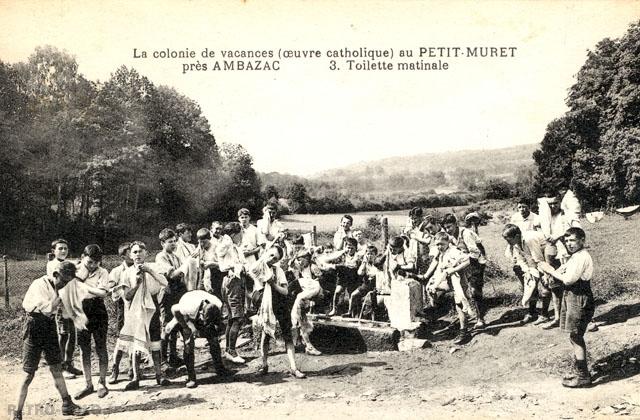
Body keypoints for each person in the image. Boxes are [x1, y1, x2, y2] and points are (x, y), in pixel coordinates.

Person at [13, 261, 88, 420]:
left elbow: (66, 313)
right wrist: (61, 297)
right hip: (34, 326)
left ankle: (67, 404)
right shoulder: (39, 284)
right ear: (55, 275)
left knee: (56, 367)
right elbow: (47, 309)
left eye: (68, 282)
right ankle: (17, 413)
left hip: (48, 327)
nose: (65, 285)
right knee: (28, 373)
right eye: (63, 281)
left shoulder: (60, 286)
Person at [539, 227, 594, 388]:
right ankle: (580, 370)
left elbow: (569, 279)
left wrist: (549, 270)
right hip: (572, 296)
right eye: (567, 240)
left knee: (576, 336)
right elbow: (562, 270)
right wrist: (550, 272)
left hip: (579, 297)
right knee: (573, 335)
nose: (569, 244)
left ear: (582, 240)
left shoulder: (581, 257)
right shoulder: (574, 256)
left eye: (573, 240)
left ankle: (583, 376)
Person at [115, 241, 171, 390]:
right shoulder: (127, 273)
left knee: (155, 341)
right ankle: (135, 377)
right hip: (135, 309)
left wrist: (149, 271)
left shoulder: (153, 267)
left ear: (146, 253)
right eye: (134, 252)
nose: (138, 254)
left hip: (151, 307)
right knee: (136, 343)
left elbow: (164, 282)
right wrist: (137, 284)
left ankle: (159, 375)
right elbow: (126, 296)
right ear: (130, 255)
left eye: (140, 251)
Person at [249, 246, 306, 379]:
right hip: (265, 304)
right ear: (267, 251)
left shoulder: (278, 270)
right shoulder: (258, 266)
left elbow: (285, 291)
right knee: (266, 333)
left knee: (287, 334)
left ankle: (293, 367)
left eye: (275, 258)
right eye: (271, 255)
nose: (272, 259)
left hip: (279, 303)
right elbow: (253, 273)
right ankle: (264, 365)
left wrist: (273, 284)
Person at [165, 290, 234, 388]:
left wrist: (214, 330)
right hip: (185, 317)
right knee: (188, 345)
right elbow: (174, 309)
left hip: (203, 316)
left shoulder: (218, 304)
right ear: (201, 312)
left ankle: (220, 370)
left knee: (214, 340)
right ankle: (191, 377)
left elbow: (217, 323)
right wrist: (185, 327)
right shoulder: (189, 307)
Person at [422, 232, 475, 345]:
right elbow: (441, 271)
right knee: (432, 290)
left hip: (459, 281)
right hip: (449, 281)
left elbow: (468, 260)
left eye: (442, 244)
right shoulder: (442, 254)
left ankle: (464, 331)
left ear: (447, 242)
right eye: (437, 244)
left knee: (460, 305)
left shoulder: (453, 251)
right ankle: (436, 314)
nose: (439, 247)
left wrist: (454, 269)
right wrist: (433, 283)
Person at [74, 244, 111, 400]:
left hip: (97, 309)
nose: (93, 265)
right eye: (89, 262)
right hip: (81, 310)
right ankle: (88, 384)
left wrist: (83, 286)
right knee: (84, 348)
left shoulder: (103, 272)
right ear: (83, 258)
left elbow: (102, 293)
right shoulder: (75, 270)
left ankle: (102, 382)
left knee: (101, 346)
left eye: (96, 262)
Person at [442, 214, 486, 327]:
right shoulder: (451, 237)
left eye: (449, 227)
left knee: (475, 291)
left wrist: (457, 267)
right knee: (463, 291)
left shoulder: (465, 234)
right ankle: (466, 317)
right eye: (445, 228)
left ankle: (480, 319)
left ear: (456, 224)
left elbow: (476, 253)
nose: (448, 230)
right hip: (464, 264)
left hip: (476, 262)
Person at [47, 239, 82, 379]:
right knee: (63, 334)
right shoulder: (52, 265)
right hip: (61, 303)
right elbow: (58, 282)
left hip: (72, 303)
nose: (63, 251)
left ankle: (68, 363)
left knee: (73, 335)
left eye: (65, 249)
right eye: (60, 248)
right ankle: (60, 365)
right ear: (53, 251)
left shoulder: (69, 264)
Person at [155, 228, 188, 368]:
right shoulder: (160, 257)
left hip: (178, 292)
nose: (174, 244)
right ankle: (163, 360)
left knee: (177, 324)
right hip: (167, 294)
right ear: (162, 243)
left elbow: (181, 274)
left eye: (175, 241)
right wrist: (187, 266)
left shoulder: (176, 256)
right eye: (170, 242)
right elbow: (173, 275)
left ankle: (173, 356)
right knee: (166, 326)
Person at [502, 224, 547, 323]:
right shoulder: (516, 243)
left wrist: (535, 273)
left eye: (509, 239)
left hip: (547, 256)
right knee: (530, 283)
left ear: (516, 236)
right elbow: (521, 259)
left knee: (546, 286)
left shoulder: (529, 239)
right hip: (535, 261)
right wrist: (527, 271)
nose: (508, 242)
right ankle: (532, 312)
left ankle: (546, 314)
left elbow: (538, 259)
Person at [217, 222, 248, 364]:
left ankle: (229, 350)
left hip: (236, 281)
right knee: (237, 318)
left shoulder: (236, 248)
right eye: (240, 232)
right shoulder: (227, 245)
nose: (242, 235)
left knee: (231, 318)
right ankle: (232, 351)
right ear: (235, 234)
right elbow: (220, 255)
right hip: (232, 283)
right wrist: (227, 238)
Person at [107, 242, 134, 384]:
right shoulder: (117, 271)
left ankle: (132, 368)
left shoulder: (139, 268)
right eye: (131, 252)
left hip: (137, 306)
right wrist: (120, 288)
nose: (134, 254)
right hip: (123, 307)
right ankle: (115, 368)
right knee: (123, 338)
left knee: (135, 338)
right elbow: (109, 288)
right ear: (123, 255)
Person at [289, 249, 323, 355]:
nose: (299, 262)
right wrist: (295, 257)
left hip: (311, 294)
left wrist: (313, 298)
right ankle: (305, 344)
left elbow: (320, 281)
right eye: (298, 260)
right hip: (303, 296)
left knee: (302, 321)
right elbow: (290, 264)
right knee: (301, 320)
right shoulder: (300, 268)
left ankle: (306, 344)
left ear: (307, 259)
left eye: (301, 259)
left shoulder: (312, 267)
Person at [323, 237, 362, 316]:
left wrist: (336, 266)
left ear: (356, 248)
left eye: (352, 248)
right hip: (343, 276)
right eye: (348, 248)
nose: (350, 250)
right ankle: (334, 309)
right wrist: (342, 252)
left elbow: (352, 265)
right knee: (337, 291)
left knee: (352, 294)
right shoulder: (342, 255)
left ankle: (350, 312)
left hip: (352, 277)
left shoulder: (357, 256)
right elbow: (326, 260)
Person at [349, 245, 379, 318]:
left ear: (375, 255)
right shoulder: (365, 263)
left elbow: (376, 273)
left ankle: (374, 317)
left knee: (372, 301)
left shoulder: (378, 263)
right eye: (368, 254)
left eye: (371, 254)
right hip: (367, 284)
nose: (369, 256)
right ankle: (350, 312)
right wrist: (364, 262)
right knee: (353, 295)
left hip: (376, 284)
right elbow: (360, 273)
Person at [175, 223, 199, 291]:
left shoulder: (192, 246)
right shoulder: (177, 246)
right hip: (185, 277)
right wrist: (190, 259)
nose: (190, 235)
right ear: (180, 234)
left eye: (190, 232)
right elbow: (180, 264)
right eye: (188, 233)